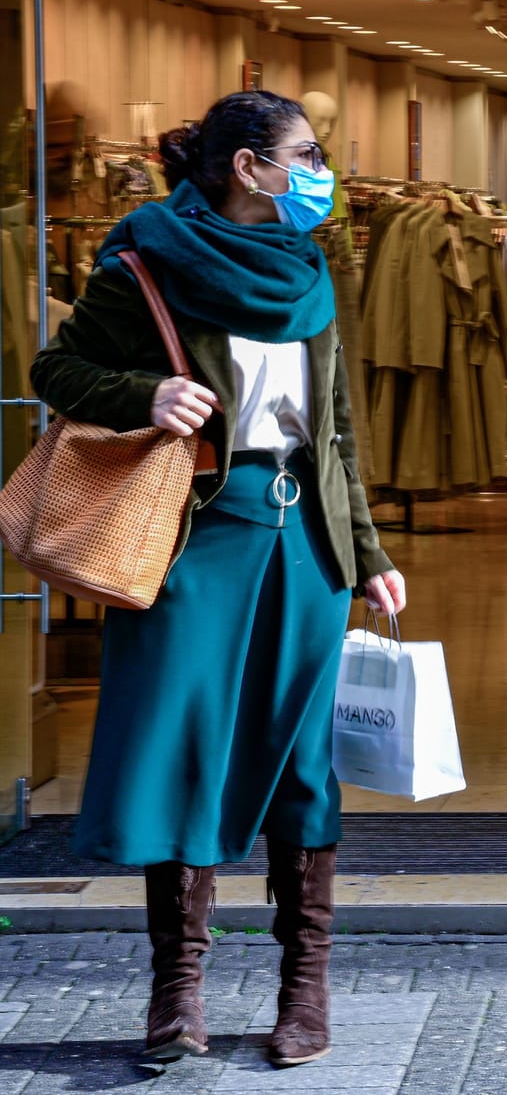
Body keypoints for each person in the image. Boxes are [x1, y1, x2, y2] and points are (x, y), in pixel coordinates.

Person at [30, 90, 405, 1069]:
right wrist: (145, 393)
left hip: (305, 546)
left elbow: (336, 431)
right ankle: (177, 988)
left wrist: (367, 554)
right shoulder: (146, 259)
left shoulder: (314, 272)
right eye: (306, 154)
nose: (320, 172)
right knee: (184, 752)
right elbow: (56, 368)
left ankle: (303, 984)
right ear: (249, 166)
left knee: (303, 761)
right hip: (195, 545)